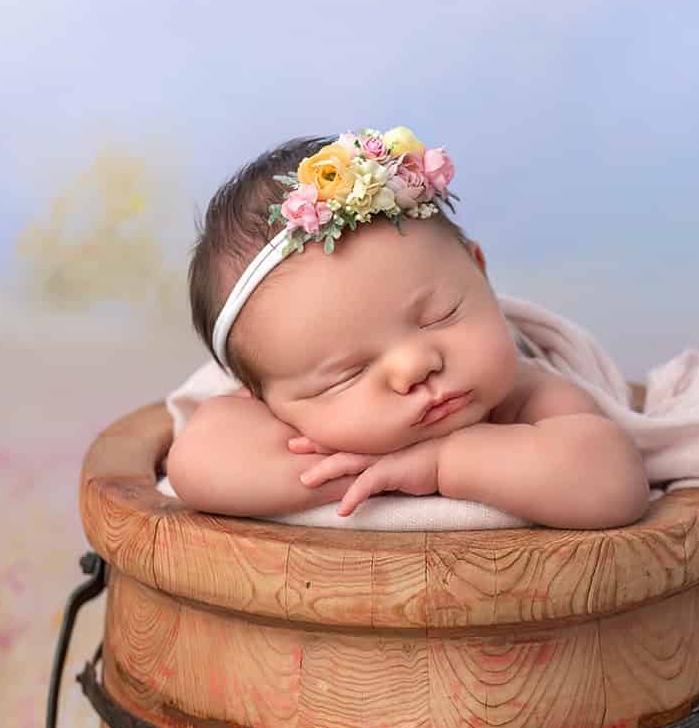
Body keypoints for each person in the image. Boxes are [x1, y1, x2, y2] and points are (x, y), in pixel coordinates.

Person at [164, 128, 649, 528]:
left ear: (479, 271)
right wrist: (358, 469)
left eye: (440, 316)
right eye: (346, 374)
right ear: (260, 396)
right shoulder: (276, 417)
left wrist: (443, 463)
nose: (415, 366)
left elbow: (612, 483)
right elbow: (193, 464)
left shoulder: (523, 394)